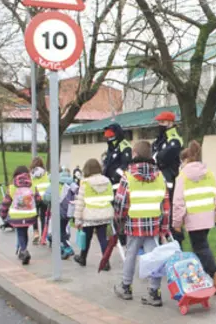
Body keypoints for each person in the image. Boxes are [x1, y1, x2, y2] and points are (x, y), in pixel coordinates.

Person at [113, 140, 170, 306]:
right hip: (153, 224)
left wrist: (120, 218)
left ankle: (126, 287)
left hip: (134, 223)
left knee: (130, 255)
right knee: (154, 258)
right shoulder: (160, 177)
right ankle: (154, 291)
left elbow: (120, 202)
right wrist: (164, 227)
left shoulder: (128, 175)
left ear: (135, 154)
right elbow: (165, 205)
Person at [172, 140, 216, 292]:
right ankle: (211, 278)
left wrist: (176, 222)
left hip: (192, 218)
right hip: (207, 217)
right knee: (202, 247)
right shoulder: (209, 174)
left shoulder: (182, 177)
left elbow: (178, 202)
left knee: (201, 248)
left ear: (184, 160)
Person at [73, 158, 114, 270]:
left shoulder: (85, 183)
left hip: (89, 216)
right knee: (102, 239)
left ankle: (83, 258)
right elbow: (111, 197)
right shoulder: (107, 181)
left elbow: (80, 203)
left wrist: (77, 220)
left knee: (86, 238)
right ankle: (105, 262)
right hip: (105, 214)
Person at [151, 111, 184, 242]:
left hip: (170, 181)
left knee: (169, 214)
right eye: (159, 122)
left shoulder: (174, 139)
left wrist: (156, 158)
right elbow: (154, 155)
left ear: (170, 123)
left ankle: (176, 240)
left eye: (162, 122)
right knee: (159, 213)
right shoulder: (159, 140)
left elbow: (163, 157)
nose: (160, 125)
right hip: (158, 181)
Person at [0, 166, 40, 265]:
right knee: (24, 231)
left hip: (17, 216)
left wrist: (3, 214)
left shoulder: (12, 187)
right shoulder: (32, 186)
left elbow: (6, 202)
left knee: (20, 232)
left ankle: (24, 250)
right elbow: (38, 199)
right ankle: (23, 250)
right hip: (29, 215)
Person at [43, 167, 77, 259]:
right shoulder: (71, 183)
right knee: (62, 229)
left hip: (58, 211)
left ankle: (67, 248)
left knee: (58, 232)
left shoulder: (54, 184)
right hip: (69, 211)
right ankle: (64, 248)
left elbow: (46, 198)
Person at [29, 157, 50, 245]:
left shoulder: (31, 174)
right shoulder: (45, 173)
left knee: (34, 215)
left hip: (35, 196)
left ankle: (36, 233)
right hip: (44, 197)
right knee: (43, 217)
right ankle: (43, 236)